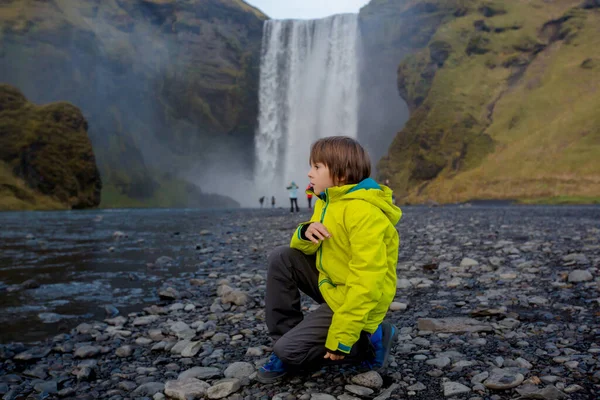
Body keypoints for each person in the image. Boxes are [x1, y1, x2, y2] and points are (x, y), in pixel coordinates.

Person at [257, 136, 402, 384]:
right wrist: (304, 232)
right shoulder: (329, 201)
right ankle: (285, 340)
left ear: (342, 174)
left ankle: (369, 340)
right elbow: (307, 249)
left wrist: (341, 338)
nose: (309, 173)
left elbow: (366, 282)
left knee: (291, 352)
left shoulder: (364, 213)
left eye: (316, 167)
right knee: (282, 257)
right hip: (334, 283)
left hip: (357, 296)